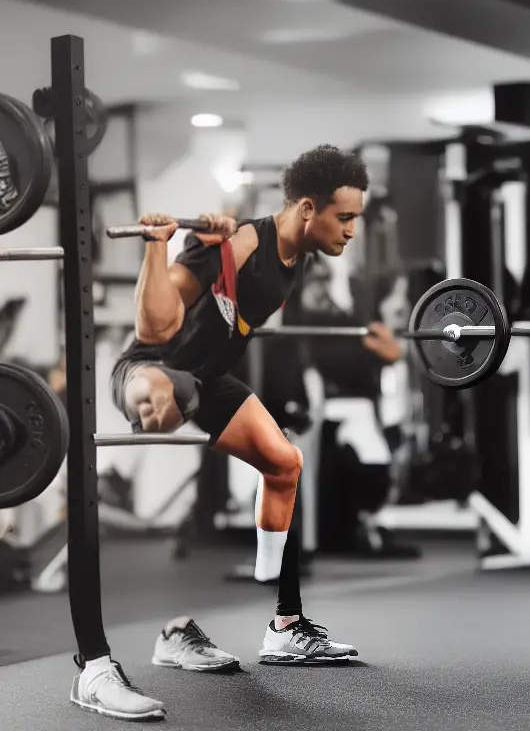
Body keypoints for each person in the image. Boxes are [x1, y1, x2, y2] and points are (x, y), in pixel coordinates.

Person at [70, 145, 370, 721]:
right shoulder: (239, 245)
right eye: (346, 217)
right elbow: (154, 326)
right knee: (162, 402)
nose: (352, 230)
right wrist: (161, 249)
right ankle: (100, 659)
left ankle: (283, 624)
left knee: (284, 463)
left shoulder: (297, 252)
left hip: (208, 380)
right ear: (309, 209)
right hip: (148, 369)